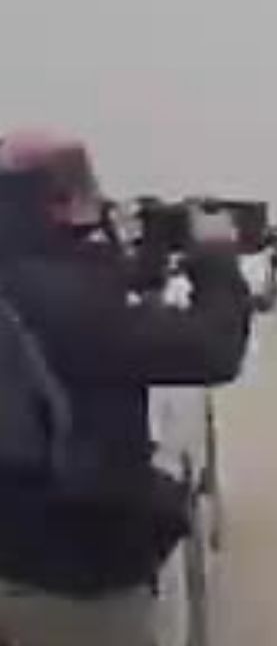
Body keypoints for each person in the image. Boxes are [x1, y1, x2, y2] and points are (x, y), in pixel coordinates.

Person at [0, 130, 252, 646]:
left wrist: (141, 253)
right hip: (65, 572)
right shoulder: (70, 303)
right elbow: (214, 348)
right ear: (61, 203)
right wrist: (215, 258)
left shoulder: (32, 285)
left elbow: (84, 300)